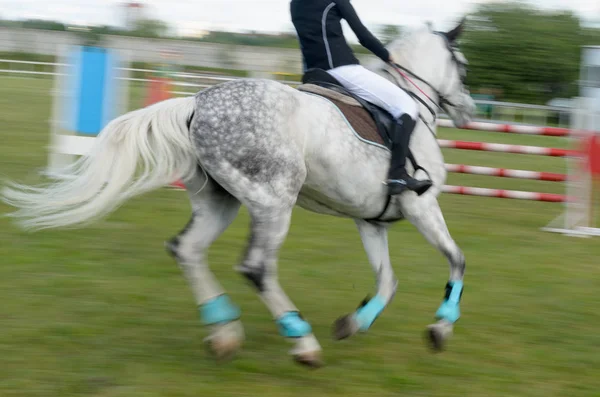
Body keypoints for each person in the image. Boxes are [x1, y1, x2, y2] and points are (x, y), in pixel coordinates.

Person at [290, 0, 432, 196]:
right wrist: (387, 56)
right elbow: (363, 36)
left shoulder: (295, 3)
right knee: (406, 105)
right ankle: (398, 174)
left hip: (313, 72)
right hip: (343, 69)